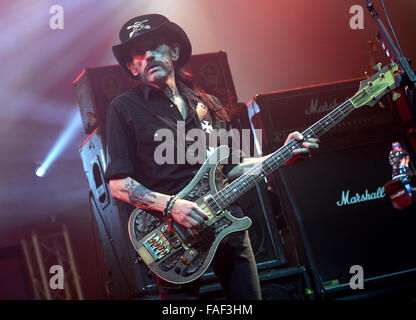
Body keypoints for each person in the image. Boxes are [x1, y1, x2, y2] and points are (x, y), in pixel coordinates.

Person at [105, 14, 319, 300]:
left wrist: (282, 156)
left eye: (155, 46)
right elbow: (118, 184)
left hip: (226, 225)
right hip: (171, 236)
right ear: (133, 67)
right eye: (139, 54)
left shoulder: (208, 105)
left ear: (174, 52)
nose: (149, 56)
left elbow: (232, 169)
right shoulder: (124, 109)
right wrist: (172, 206)